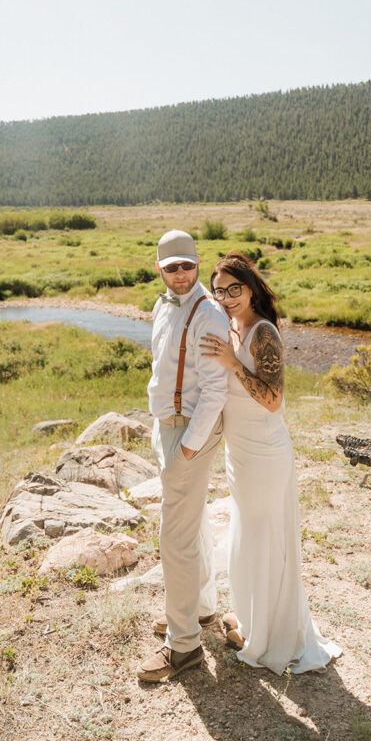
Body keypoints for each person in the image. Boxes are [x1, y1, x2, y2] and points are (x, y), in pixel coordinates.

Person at [200, 252, 341, 675]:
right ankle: (249, 621)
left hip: (264, 451)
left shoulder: (262, 333)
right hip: (239, 452)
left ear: (252, 287)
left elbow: (273, 400)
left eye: (234, 289)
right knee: (249, 534)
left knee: (265, 537)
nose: (226, 297)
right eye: (219, 290)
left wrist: (230, 362)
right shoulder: (231, 325)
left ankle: (273, 635)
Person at [137, 229, 230, 683]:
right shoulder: (160, 306)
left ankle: (184, 645)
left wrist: (188, 447)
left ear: (198, 263)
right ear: (159, 268)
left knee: (173, 538)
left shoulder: (209, 315)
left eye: (187, 265)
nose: (179, 273)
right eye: (171, 266)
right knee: (191, 524)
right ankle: (203, 610)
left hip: (190, 435)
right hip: (166, 429)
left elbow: (215, 391)